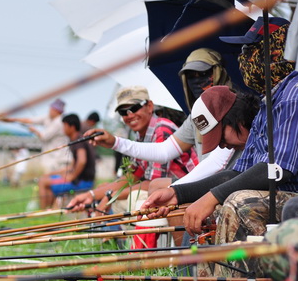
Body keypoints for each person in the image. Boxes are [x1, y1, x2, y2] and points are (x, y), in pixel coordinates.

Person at [142, 17, 298, 281]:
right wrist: (177, 194)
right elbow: (237, 173)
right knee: (215, 207)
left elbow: (279, 170)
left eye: (252, 50)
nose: (244, 59)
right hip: (292, 196)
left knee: (239, 204)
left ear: (276, 52)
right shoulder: (271, 100)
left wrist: (212, 197)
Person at [89, 48, 236, 196]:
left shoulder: (234, 108)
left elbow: (217, 163)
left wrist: (175, 190)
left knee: (155, 191)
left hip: (227, 183)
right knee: (154, 190)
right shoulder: (195, 117)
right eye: (191, 76)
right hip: (204, 182)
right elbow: (163, 151)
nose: (130, 115)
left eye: (203, 74)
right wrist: (115, 142)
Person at [67, 86, 197, 215]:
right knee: (115, 195)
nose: (130, 115)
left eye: (134, 108)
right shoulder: (140, 136)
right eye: (123, 112)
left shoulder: (162, 129)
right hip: (168, 189)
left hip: (192, 190)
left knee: (134, 198)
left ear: (150, 106)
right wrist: (91, 195)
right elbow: (131, 177)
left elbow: (153, 183)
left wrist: (110, 195)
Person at [38, 113, 95, 209]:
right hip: (81, 180)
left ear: (72, 127)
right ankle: (50, 211)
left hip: (83, 182)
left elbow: (82, 161)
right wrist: (52, 173)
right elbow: (72, 166)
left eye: (64, 126)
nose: (63, 129)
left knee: (42, 182)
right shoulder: (77, 139)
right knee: (46, 178)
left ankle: (43, 212)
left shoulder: (78, 141)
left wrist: (72, 177)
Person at [5, 99, 68, 174]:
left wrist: (34, 130)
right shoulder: (48, 118)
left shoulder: (59, 122)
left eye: (51, 109)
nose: (49, 111)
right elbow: (30, 120)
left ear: (57, 111)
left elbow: (44, 137)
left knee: (55, 180)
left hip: (58, 157)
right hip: (50, 156)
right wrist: (13, 119)